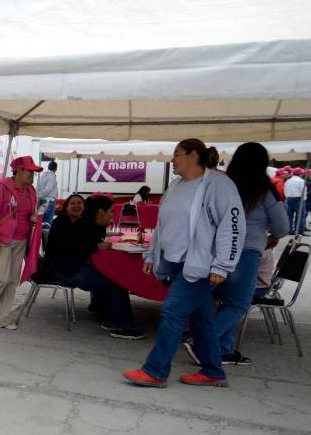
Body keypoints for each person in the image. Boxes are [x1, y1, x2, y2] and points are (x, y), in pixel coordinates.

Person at [123, 138, 243, 388]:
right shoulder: (176, 186)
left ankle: (156, 371)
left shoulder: (219, 185)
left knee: (172, 312)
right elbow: (162, 224)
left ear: (193, 155)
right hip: (177, 263)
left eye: (177, 154)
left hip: (201, 265)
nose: (172, 159)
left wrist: (222, 265)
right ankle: (213, 371)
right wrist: (151, 254)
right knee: (202, 319)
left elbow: (232, 228)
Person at [194, 142, 288, 367]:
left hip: (218, 250)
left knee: (226, 301)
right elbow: (283, 226)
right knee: (239, 303)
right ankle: (201, 342)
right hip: (246, 252)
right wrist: (271, 235)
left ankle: (223, 350)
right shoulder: (264, 189)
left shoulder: (223, 183)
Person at [40, 195, 143, 339]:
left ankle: (109, 317)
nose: (113, 215)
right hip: (65, 270)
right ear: (101, 212)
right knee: (117, 284)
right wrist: (95, 246)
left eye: (80, 203)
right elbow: (68, 247)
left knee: (109, 276)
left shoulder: (88, 223)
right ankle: (123, 326)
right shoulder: (79, 223)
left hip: (71, 266)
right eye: (111, 212)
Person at [0, 156, 42, 328]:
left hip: (21, 240)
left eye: (33, 172)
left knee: (13, 280)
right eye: (29, 171)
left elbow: (30, 213)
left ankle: (1, 318)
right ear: (18, 171)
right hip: (2, 240)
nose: (32, 175)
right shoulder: (2, 187)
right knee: (4, 278)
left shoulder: (31, 191)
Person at [283, 168, 308, 236]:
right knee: (300, 215)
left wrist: (287, 196)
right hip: (298, 198)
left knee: (289, 215)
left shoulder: (288, 181)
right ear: (300, 174)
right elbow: (303, 191)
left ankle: (289, 230)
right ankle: (299, 231)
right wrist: (304, 199)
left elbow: (285, 189)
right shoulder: (301, 181)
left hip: (289, 198)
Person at [38, 160, 60, 226]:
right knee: (47, 223)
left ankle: (40, 236)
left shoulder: (42, 175)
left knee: (41, 222)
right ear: (56, 168)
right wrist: (41, 196)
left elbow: (39, 188)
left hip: (42, 201)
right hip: (49, 201)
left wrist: (40, 197)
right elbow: (48, 189)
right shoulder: (52, 176)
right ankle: (45, 236)